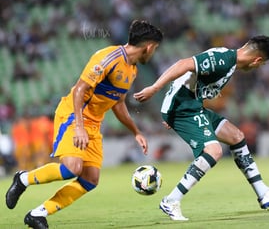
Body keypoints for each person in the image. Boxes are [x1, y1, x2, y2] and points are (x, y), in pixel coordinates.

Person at [5, 20, 163, 229]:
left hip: (93, 123)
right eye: (156, 48)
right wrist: (79, 126)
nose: (154, 53)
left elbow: (118, 102)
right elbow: (80, 90)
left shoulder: (131, 70)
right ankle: (23, 178)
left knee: (90, 179)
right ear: (149, 46)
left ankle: (38, 214)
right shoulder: (108, 58)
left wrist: (136, 132)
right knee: (73, 168)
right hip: (73, 114)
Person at [134, 35, 269, 221]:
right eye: (261, 64)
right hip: (184, 108)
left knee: (236, 136)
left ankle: (263, 192)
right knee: (214, 150)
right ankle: (171, 200)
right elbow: (183, 64)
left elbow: (191, 78)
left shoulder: (229, 62)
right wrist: (155, 89)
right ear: (257, 60)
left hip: (191, 105)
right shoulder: (223, 61)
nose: (258, 67)